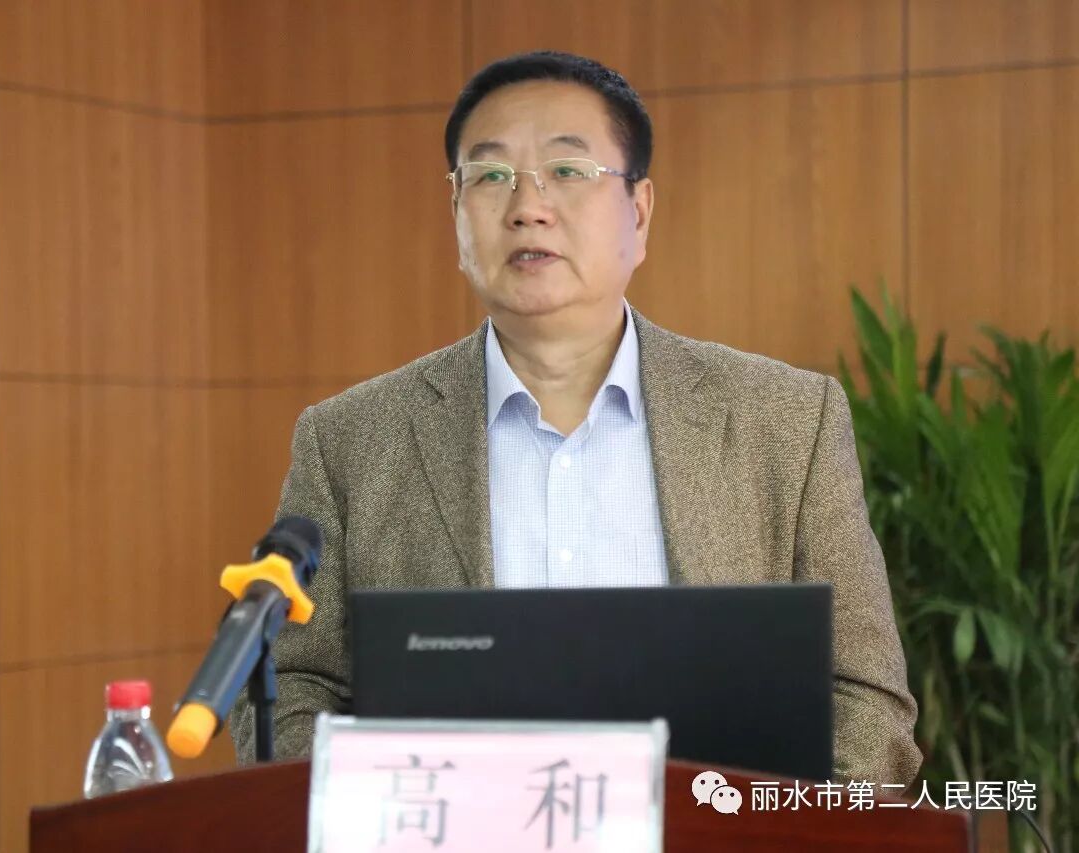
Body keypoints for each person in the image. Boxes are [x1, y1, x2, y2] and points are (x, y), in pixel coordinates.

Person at [229, 50, 921, 786]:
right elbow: (292, 688)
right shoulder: (351, 440)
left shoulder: (783, 422)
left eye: (567, 170)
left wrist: (763, 833)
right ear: (456, 211)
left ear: (639, 212)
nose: (528, 205)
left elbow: (865, 698)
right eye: (490, 175)